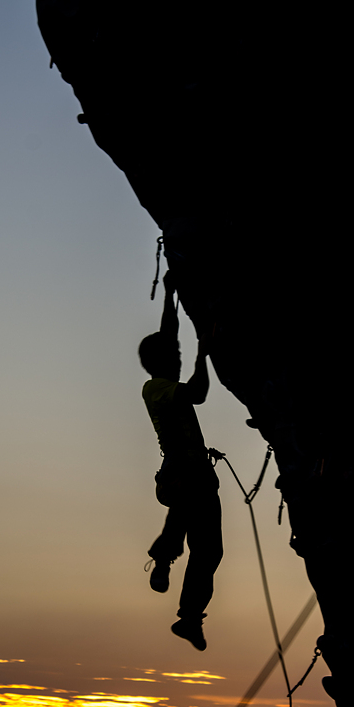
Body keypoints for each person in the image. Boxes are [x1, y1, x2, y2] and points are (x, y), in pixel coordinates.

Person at [139, 273, 223, 651]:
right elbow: (198, 393)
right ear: (161, 362)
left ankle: (189, 616)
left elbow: (168, 334)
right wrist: (203, 354)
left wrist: (170, 294)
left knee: (208, 549)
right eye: (173, 357)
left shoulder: (162, 380)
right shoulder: (157, 388)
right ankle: (164, 556)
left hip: (193, 475)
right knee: (192, 508)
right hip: (182, 476)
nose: (178, 358)